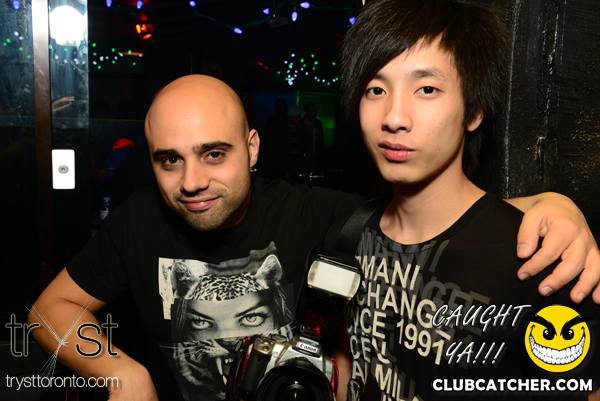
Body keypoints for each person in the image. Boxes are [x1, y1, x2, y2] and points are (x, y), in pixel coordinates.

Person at [29, 74, 599, 401]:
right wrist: (122, 373)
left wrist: (549, 207)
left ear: (252, 148)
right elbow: (47, 310)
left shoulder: (309, 212)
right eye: (169, 160)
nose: (192, 181)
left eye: (214, 154)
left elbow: (426, 216)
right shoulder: (138, 221)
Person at [336, 1, 600, 400]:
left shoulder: (537, 262)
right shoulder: (350, 233)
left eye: (426, 89)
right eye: (376, 89)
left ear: (473, 111)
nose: (394, 117)